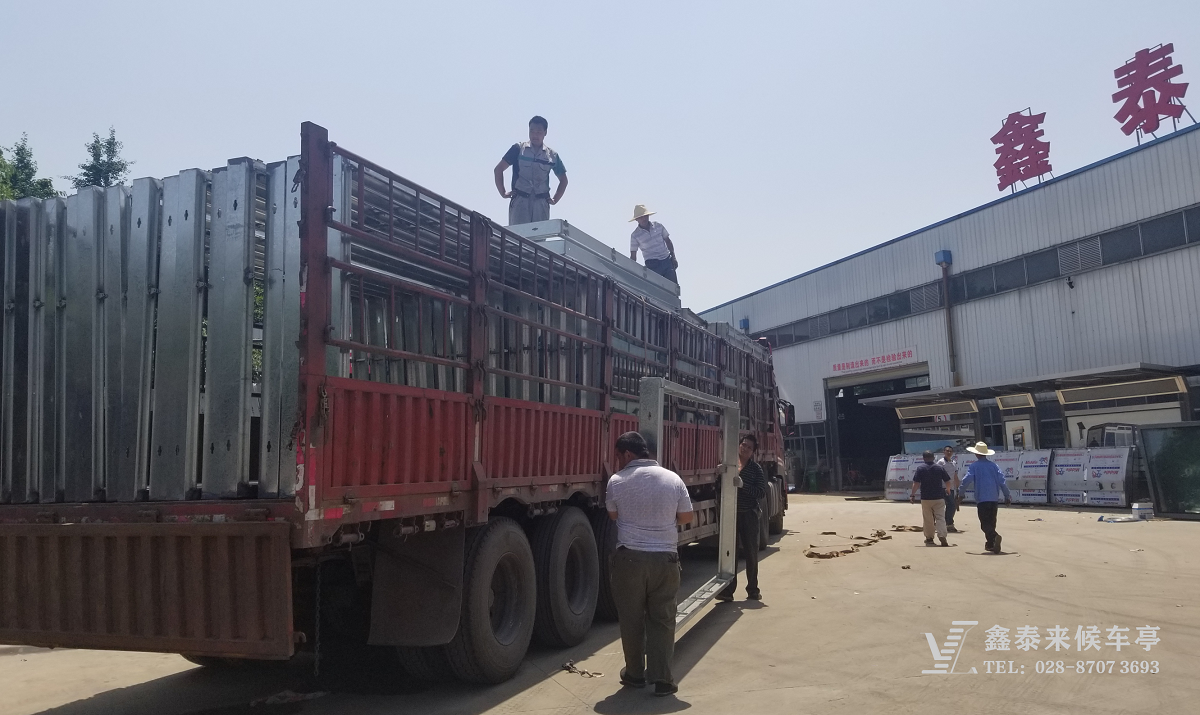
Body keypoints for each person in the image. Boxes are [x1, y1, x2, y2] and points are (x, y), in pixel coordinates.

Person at [606, 431, 693, 697]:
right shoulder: (673, 479)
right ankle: (663, 679)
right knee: (663, 619)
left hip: (629, 561)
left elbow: (613, 515)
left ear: (628, 454)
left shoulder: (616, 481)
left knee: (631, 619)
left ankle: (635, 674)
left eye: (618, 456)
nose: (618, 461)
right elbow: (687, 516)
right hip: (665, 560)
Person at [718, 434, 768, 601]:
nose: (745, 449)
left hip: (749, 515)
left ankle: (753, 590)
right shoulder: (730, 464)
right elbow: (718, 487)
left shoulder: (755, 469)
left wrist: (743, 485)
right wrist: (720, 474)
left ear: (753, 452)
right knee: (729, 553)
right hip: (731, 514)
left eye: (749, 447)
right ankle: (728, 591)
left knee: (751, 553)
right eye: (743, 445)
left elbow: (761, 492)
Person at [494, 116, 567, 226]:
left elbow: (564, 180)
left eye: (538, 132)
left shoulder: (552, 156)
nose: (535, 135)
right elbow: (498, 169)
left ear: (545, 132)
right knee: (517, 235)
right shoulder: (518, 149)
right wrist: (503, 193)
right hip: (520, 201)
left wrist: (555, 199)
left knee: (539, 236)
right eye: (532, 131)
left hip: (541, 202)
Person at [957, 441, 1011, 554]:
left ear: (976, 454)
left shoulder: (974, 466)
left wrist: (961, 493)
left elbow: (966, 480)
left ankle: (994, 536)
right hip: (994, 498)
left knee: (984, 524)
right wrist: (1007, 495)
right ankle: (990, 544)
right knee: (991, 522)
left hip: (982, 498)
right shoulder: (994, 466)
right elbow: (1002, 482)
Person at [909, 450, 951, 547]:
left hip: (926, 498)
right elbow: (947, 481)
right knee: (940, 517)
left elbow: (916, 483)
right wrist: (948, 490)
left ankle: (929, 538)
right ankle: (942, 535)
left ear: (923, 458)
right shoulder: (939, 468)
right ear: (933, 458)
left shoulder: (920, 468)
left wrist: (912, 495)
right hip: (939, 497)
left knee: (928, 519)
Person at [629, 205, 678, 284]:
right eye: (641, 217)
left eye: (645, 216)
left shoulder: (658, 226)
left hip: (666, 260)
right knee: (656, 288)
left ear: (648, 216)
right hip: (652, 265)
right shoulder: (635, 235)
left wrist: (673, 257)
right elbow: (633, 255)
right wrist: (632, 269)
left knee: (673, 287)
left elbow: (668, 241)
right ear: (636, 219)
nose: (644, 219)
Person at [936, 446, 964, 533]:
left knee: (952, 506)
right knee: (950, 505)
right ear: (944, 452)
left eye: (950, 451)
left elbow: (955, 476)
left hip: (951, 488)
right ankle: (949, 524)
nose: (949, 452)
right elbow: (936, 475)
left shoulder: (953, 463)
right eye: (947, 451)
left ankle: (945, 523)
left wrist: (958, 488)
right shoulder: (940, 462)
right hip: (942, 488)